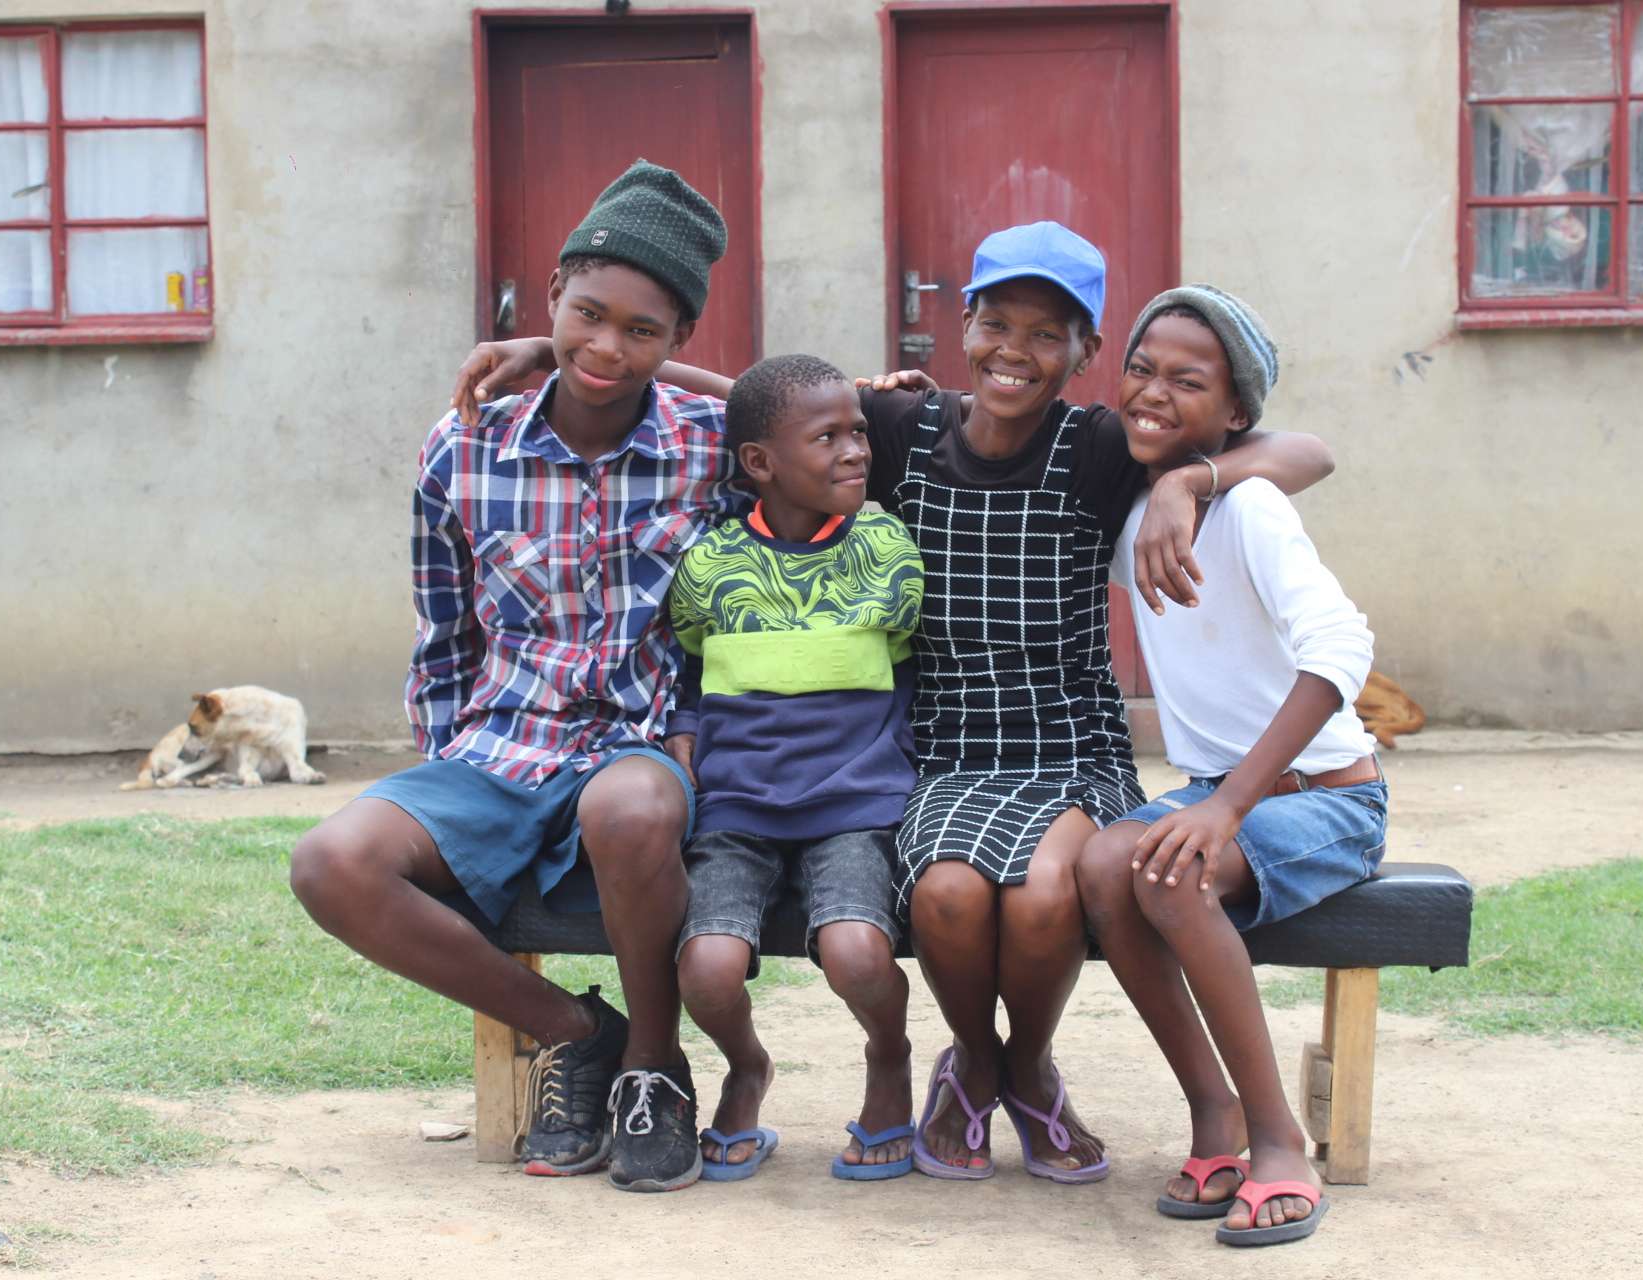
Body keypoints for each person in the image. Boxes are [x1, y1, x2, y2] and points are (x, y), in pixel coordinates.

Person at [447, 221, 1333, 1182]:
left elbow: (1308, 449)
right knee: (948, 898)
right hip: (945, 749)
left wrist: (1189, 482)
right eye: (998, 323)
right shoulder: (907, 432)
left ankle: (1022, 1066)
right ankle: (970, 1059)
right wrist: (566, 361)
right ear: (963, 326)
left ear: (1085, 353)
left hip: (1069, 745)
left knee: (1041, 903)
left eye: (1049, 335)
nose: (1016, 351)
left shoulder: (1106, 445)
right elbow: (767, 403)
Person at [288, 159, 745, 1195]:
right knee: (330, 861)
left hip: (638, 738)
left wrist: (566, 352)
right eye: (585, 315)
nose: (606, 347)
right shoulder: (464, 444)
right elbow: (443, 628)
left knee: (629, 812)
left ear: (678, 343)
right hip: (501, 744)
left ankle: (654, 1069)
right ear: (552, 292)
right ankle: (583, 1033)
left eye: (643, 330)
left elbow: (829, 407)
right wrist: (450, 771)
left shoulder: (713, 443)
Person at [1077, 286, 1384, 1246]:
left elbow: (1342, 650)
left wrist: (1229, 808)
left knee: (1172, 865)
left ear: (1235, 413)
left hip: (1326, 799)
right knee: (1100, 865)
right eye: (1141, 369)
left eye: (1188, 380)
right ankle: (1211, 1111)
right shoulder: (1135, 510)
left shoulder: (1248, 505)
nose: (1154, 391)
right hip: (1223, 794)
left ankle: (1278, 1141)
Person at [664, 354, 924, 1182]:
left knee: (854, 951)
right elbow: (693, 674)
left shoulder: (888, 548)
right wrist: (684, 737)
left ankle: (889, 1056)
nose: (856, 450)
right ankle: (746, 1064)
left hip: (855, 804)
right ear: (759, 464)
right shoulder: (710, 566)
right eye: (829, 437)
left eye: (859, 432)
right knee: (705, 970)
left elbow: (914, 672)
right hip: (737, 806)